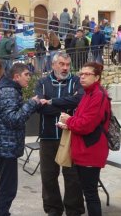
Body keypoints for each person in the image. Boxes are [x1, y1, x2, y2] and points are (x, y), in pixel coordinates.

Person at [57, 62, 110, 216]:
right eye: (81, 74)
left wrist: (69, 120)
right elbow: (82, 120)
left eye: (87, 74)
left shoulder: (98, 95)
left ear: (97, 77)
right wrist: (69, 124)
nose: (82, 77)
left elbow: (87, 125)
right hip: (83, 149)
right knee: (87, 192)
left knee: (90, 194)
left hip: (91, 150)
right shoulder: (88, 93)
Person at [35, 52, 85, 216]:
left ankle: (74, 209)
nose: (65, 68)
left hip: (71, 136)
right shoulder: (42, 83)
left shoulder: (76, 81)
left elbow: (80, 100)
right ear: (53, 65)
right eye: (61, 64)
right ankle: (53, 209)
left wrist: (51, 101)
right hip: (48, 136)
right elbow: (40, 108)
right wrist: (67, 103)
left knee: (72, 176)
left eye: (67, 65)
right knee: (48, 175)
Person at [0, 63, 41, 216]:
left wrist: (30, 104)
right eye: (26, 74)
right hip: (6, 147)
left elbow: (12, 113)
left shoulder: (10, 90)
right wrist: (31, 103)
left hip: (5, 145)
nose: (29, 78)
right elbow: (14, 119)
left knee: (6, 185)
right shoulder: (9, 91)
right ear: (16, 76)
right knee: (8, 188)